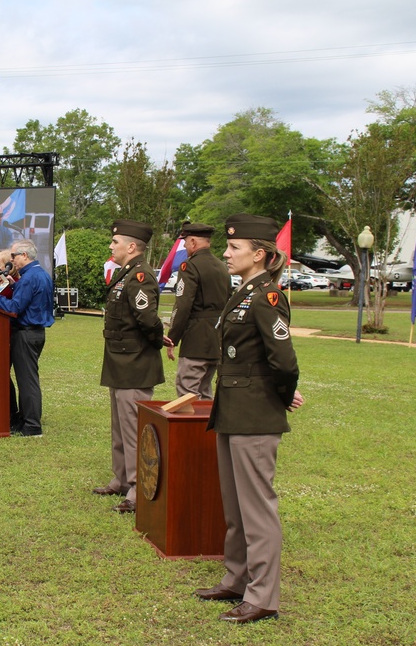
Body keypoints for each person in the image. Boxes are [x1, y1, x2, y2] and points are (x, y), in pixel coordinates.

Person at [194, 213, 304, 624]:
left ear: (259, 255)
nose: (226, 252)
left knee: (257, 508)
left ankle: (263, 596)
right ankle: (237, 578)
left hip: (255, 415)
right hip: (233, 410)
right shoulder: (241, 293)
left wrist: (282, 397)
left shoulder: (267, 296)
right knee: (235, 507)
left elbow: (284, 361)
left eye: (234, 248)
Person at [92, 220, 165, 513]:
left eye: (116, 242)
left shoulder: (140, 276)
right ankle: (121, 478)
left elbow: (147, 319)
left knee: (134, 428)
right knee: (120, 426)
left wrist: (159, 340)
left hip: (135, 362)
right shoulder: (126, 274)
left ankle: (137, 488)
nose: (111, 246)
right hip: (120, 361)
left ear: (132, 247)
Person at [0, 239, 55, 436]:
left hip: (26, 332)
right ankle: (24, 420)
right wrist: (14, 287)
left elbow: (15, 308)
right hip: (34, 331)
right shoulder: (39, 274)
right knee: (26, 378)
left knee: (27, 380)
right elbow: (30, 300)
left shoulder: (30, 277)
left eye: (13, 256)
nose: (11, 259)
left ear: (24, 255)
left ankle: (32, 425)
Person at [163, 222, 231, 399]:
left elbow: (183, 305)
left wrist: (173, 338)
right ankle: (204, 428)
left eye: (185, 242)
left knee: (188, 392)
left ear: (193, 242)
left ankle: (191, 428)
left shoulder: (190, 266)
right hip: (217, 337)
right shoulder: (222, 267)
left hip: (196, 339)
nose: (185, 247)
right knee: (205, 392)